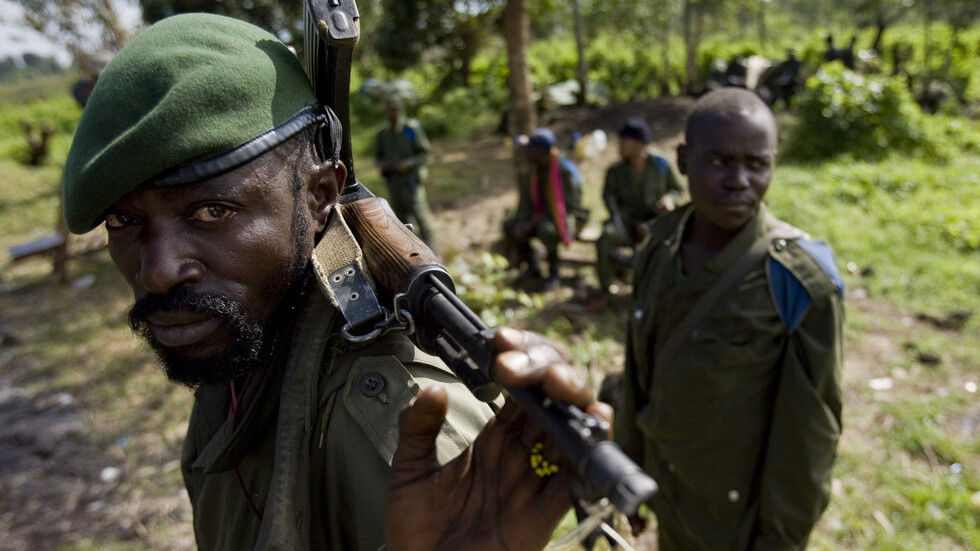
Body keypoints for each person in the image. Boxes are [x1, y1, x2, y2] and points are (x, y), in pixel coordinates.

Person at [61, 14, 606, 551]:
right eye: (124, 221)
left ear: (320, 195)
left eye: (211, 211)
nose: (157, 271)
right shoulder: (237, 341)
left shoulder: (391, 426)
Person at [615, 88, 844, 550]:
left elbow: (810, 433)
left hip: (736, 519)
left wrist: (779, 539)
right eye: (719, 162)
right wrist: (627, 470)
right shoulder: (659, 250)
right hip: (668, 487)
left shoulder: (798, 281)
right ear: (682, 160)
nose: (739, 180)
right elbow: (637, 373)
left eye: (756, 164)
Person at [595, 117, 683, 295]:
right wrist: (628, 221)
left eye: (624, 141)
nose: (620, 145)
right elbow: (609, 200)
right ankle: (607, 284)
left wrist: (669, 200)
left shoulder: (660, 164)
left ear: (639, 144)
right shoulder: (615, 171)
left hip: (658, 221)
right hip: (627, 223)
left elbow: (677, 189)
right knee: (605, 239)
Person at [502, 128, 588, 290]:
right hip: (540, 218)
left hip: (567, 219)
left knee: (546, 229)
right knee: (510, 225)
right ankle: (532, 267)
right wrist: (523, 222)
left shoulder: (563, 172)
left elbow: (568, 209)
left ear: (541, 152)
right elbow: (527, 204)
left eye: (530, 150)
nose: (526, 153)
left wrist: (533, 223)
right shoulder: (534, 172)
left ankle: (554, 272)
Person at [375, 94, 436, 246]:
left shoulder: (411, 129)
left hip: (411, 181)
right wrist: (383, 165)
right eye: (390, 110)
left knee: (420, 215)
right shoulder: (384, 134)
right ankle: (411, 249)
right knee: (401, 219)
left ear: (401, 110)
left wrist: (407, 164)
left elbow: (426, 154)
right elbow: (378, 157)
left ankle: (432, 251)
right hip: (394, 182)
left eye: (395, 109)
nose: (393, 113)